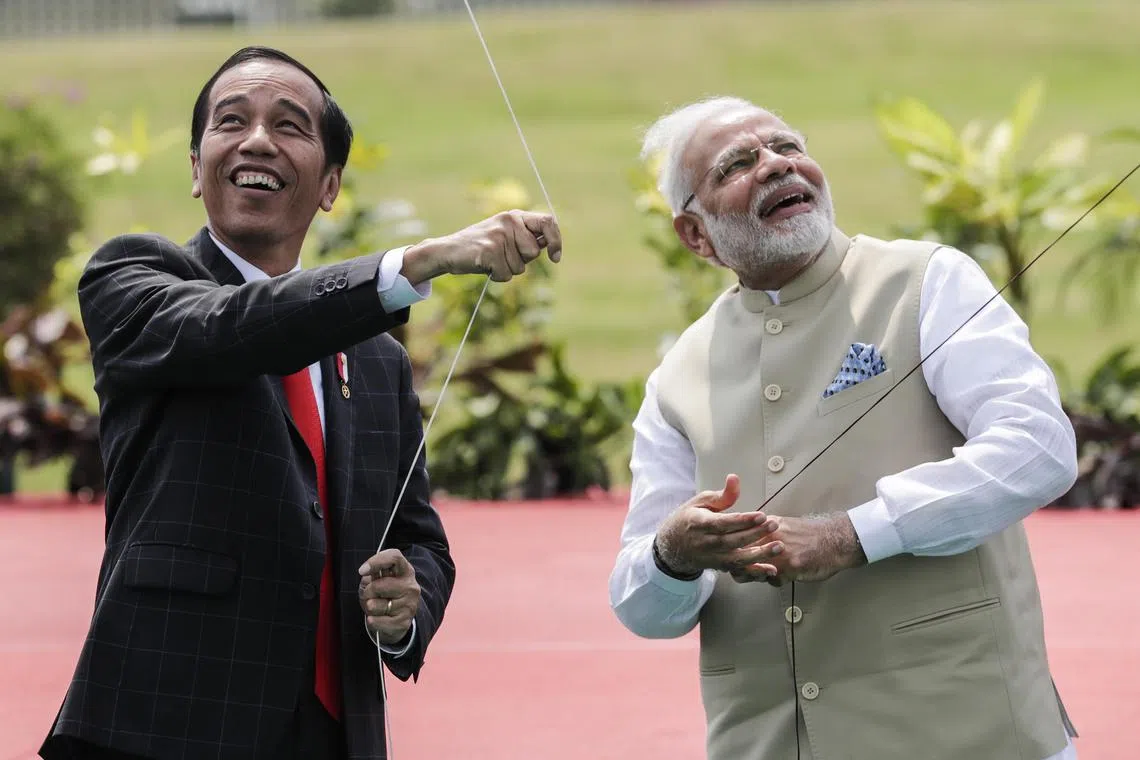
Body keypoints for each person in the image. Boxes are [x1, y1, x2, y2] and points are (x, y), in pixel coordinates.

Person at [41, 46, 561, 760]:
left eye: (289, 125)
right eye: (231, 121)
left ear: (330, 186)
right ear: (196, 168)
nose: (257, 139)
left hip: (332, 731)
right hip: (165, 721)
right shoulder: (133, 279)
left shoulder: (377, 360)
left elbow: (418, 535)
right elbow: (235, 327)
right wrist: (419, 262)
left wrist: (409, 608)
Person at [608, 96, 1080, 760]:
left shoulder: (926, 282)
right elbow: (643, 607)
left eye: (787, 145)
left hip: (969, 734)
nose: (775, 164)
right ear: (696, 234)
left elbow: (1040, 449)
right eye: (737, 164)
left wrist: (851, 536)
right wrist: (673, 557)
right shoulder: (677, 376)